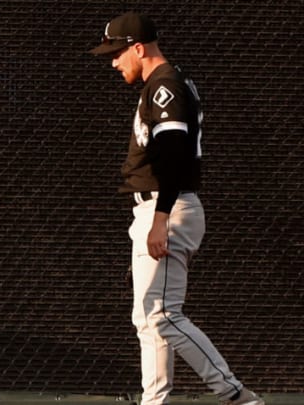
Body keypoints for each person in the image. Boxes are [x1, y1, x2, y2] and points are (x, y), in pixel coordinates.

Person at [88, 11, 265, 405]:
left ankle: (237, 396)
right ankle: (156, 401)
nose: (114, 62)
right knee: (149, 319)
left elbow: (174, 155)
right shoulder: (163, 83)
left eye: (117, 53)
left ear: (138, 47)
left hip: (166, 207)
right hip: (156, 208)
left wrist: (160, 218)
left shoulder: (165, 86)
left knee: (163, 314)